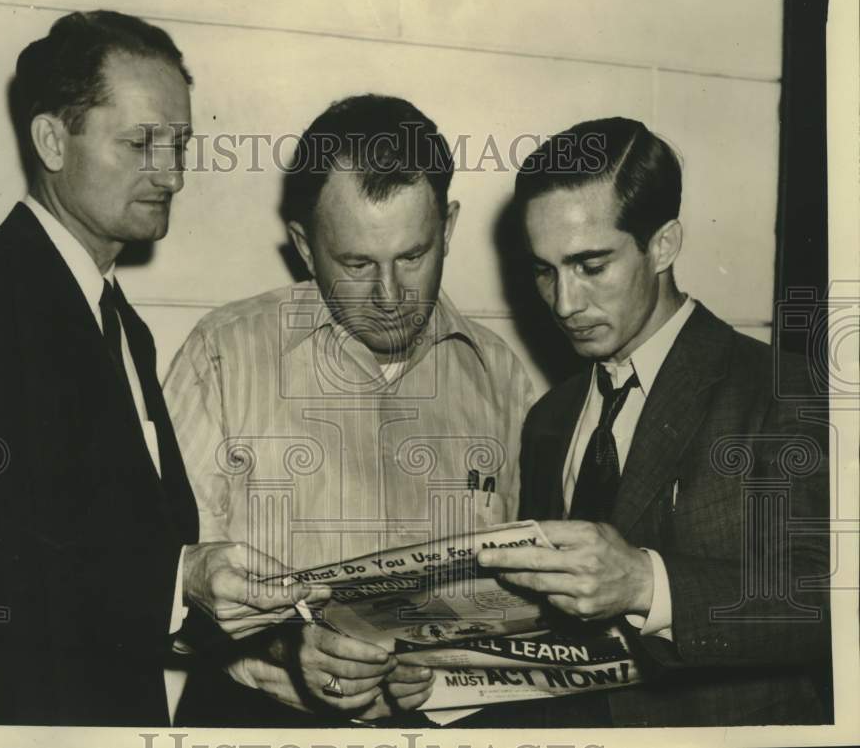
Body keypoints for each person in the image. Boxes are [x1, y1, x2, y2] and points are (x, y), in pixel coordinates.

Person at [0, 10, 323, 727]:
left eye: (179, 144)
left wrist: (264, 632)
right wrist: (179, 579)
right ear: (52, 140)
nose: (172, 174)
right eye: (141, 143)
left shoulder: (122, 325)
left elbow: (119, 565)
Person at [163, 94, 535, 725]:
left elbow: (524, 601)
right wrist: (280, 649)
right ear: (306, 248)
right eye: (357, 264)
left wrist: (460, 666)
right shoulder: (222, 355)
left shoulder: (501, 377)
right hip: (261, 722)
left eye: (413, 257)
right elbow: (163, 589)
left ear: (448, 227)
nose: (390, 297)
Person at [470, 117, 830, 726]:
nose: (564, 303)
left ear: (663, 245)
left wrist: (647, 585)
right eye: (544, 270)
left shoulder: (785, 392)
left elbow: (831, 601)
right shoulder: (550, 417)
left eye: (591, 265)